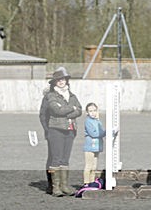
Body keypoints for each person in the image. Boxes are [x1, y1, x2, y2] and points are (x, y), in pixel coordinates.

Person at [42, 67, 82, 196]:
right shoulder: (51, 96)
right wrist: (72, 108)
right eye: (58, 80)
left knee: (65, 159)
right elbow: (56, 111)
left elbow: (80, 110)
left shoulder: (72, 95)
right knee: (56, 159)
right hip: (56, 130)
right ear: (54, 82)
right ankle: (55, 187)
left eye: (63, 79)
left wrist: (68, 111)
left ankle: (64, 185)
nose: (61, 82)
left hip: (70, 130)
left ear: (66, 81)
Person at [82, 102, 106, 185]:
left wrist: (105, 132)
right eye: (90, 111)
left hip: (97, 146)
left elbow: (101, 131)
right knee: (88, 165)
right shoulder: (88, 121)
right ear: (87, 113)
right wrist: (104, 133)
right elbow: (94, 134)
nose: (93, 113)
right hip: (90, 146)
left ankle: (92, 181)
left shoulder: (97, 121)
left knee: (94, 166)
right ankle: (86, 182)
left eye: (94, 110)